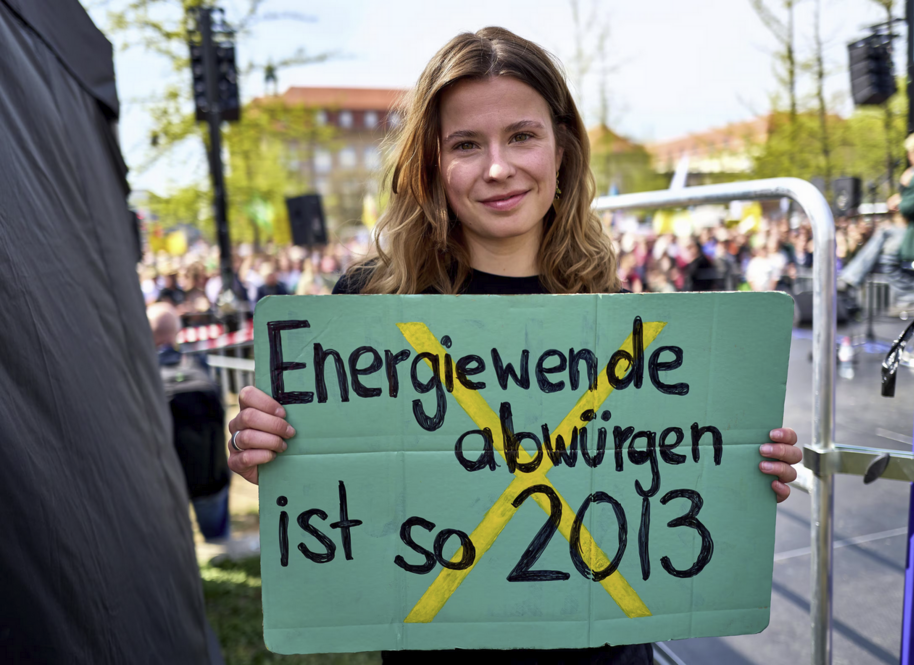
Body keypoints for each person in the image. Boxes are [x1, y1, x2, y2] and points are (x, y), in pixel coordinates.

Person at [226, 27, 801, 665]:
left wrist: (743, 465)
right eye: (467, 144)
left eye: (522, 135)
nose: (498, 167)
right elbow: (335, 488)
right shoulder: (369, 307)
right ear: (432, 164)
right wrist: (273, 455)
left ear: (562, 147)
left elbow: (668, 472)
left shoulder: (614, 307)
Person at [148, 302, 232, 543]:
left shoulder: (143, 375)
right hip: (210, 474)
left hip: (165, 478)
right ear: (176, 332)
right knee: (218, 543)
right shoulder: (200, 365)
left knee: (171, 544)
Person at [839, 128, 914, 309]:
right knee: (886, 238)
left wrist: (903, 192)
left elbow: (908, 209)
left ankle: (910, 295)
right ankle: (849, 278)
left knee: (886, 240)